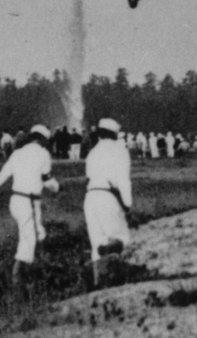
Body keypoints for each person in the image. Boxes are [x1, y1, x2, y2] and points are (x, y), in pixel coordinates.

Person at [0, 125, 61, 285]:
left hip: (16, 200)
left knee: (38, 234)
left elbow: (2, 175)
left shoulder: (17, 153)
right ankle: (17, 278)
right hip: (29, 202)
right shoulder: (43, 154)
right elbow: (46, 180)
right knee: (28, 240)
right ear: (42, 139)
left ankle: (38, 270)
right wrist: (57, 187)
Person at [82, 117, 133, 285]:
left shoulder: (93, 152)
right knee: (120, 237)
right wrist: (127, 204)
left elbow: (88, 178)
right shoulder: (120, 150)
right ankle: (117, 281)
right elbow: (123, 180)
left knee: (97, 241)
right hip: (108, 196)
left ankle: (99, 282)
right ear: (115, 134)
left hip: (90, 197)